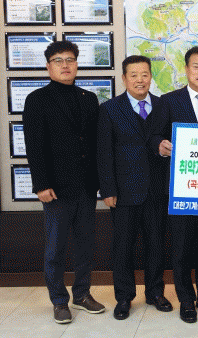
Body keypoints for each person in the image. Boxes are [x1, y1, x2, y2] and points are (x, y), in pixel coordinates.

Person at [23, 41, 105, 324]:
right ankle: (59, 300)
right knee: (55, 248)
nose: (65, 65)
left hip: (86, 187)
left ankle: (81, 294)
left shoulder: (88, 98)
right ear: (48, 66)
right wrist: (40, 184)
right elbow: (34, 146)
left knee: (85, 246)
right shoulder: (37, 99)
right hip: (55, 188)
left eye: (70, 59)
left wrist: (100, 182)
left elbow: (94, 144)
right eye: (58, 60)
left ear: (77, 64)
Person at [149, 46, 198, 323]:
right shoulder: (168, 101)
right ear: (186, 69)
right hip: (181, 189)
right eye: (195, 66)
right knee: (182, 246)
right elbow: (153, 136)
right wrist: (160, 146)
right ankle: (186, 299)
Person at [97, 55, 172, 320]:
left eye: (144, 74)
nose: (140, 80)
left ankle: (155, 293)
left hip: (157, 189)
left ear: (151, 77)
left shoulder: (163, 105)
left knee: (156, 244)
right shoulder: (109, 109)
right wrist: (107, 189)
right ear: (124, 78)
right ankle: (124, 297)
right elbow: (104, 152)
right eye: (134, 75)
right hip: (124, 191)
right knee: (123, 247)